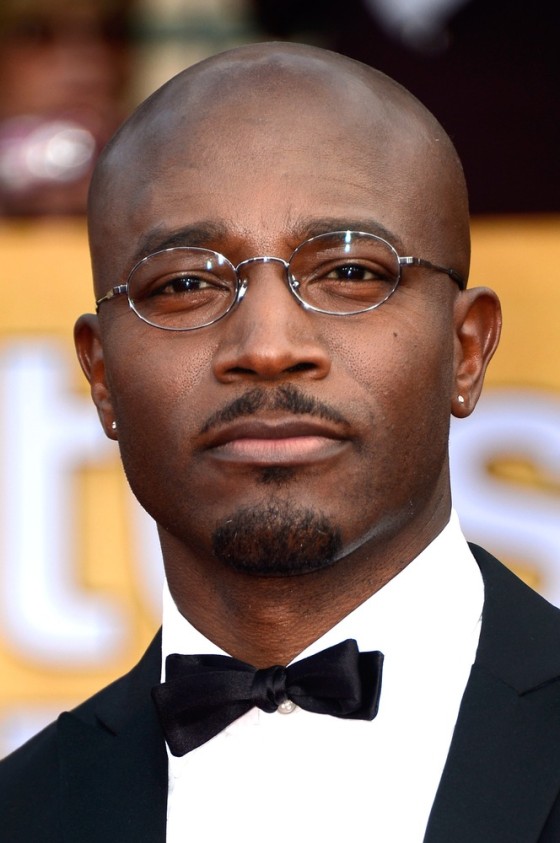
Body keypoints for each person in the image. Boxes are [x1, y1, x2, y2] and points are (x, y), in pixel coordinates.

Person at [1, 40, 559, 842]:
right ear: (100, 376)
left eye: (351, 273)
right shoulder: (24, 811)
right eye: (187, 284)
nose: (267, 344)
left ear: (466, 350)